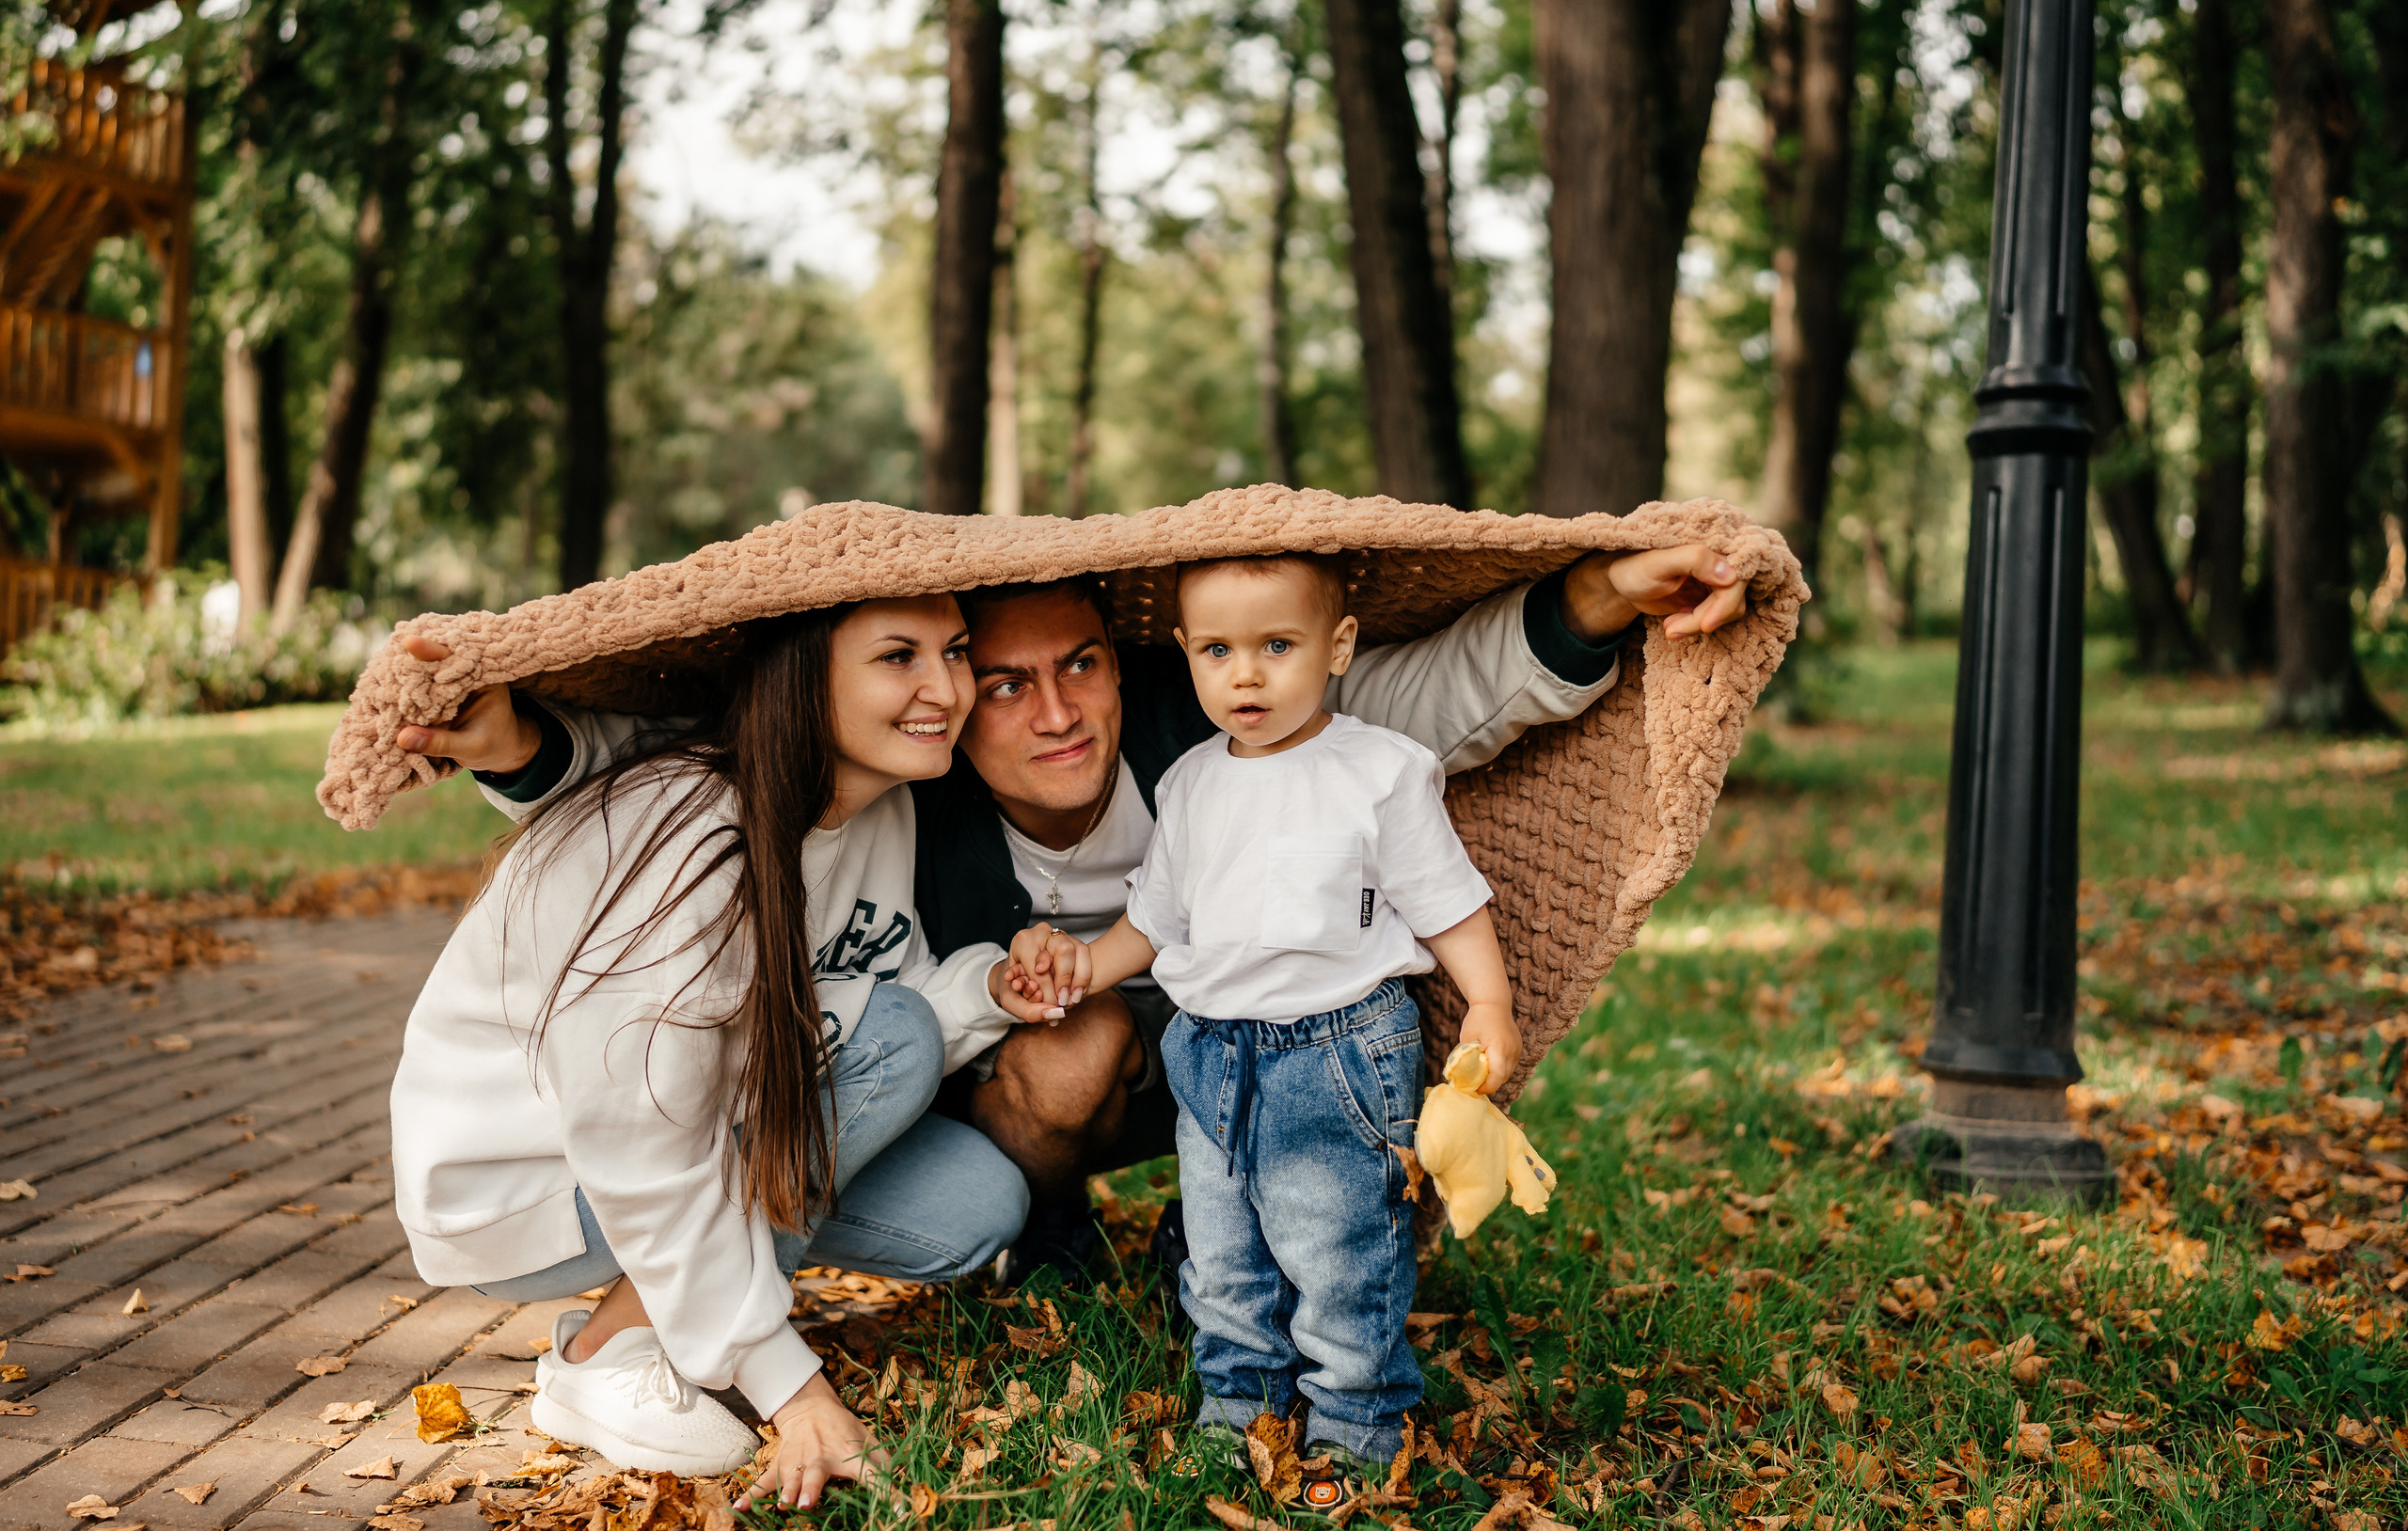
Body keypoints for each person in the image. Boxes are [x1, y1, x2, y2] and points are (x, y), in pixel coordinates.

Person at [394, 545, 1749, 1279]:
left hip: (1266, 1025)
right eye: (1003, 681)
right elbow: (698, 766)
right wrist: (510, 734)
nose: (1055, 712)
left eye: (1083, 665)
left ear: (1122, 659)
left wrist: (1605, 593)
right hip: (1037, 1058)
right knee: (1069, 1044)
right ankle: (1050, 1237)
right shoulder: (904, 787)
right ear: (942, 693)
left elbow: (1439, 694)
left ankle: (1307, 1242)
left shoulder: (1208, 714)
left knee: (1361, 1010)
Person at [388, 596, 1056, 1506]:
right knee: (895, 1035)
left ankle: (698, 1299)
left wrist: (988, 991)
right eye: (898, 656)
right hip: (532, 1177)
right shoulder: (695, 832)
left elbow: (877, 981)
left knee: (975, 1205)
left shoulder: (882, 806)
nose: (945, 688)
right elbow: (639, 1142)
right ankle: (603, 1353)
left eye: (955, 652)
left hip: (714, 1122)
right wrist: (795, 1390)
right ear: (804, 675)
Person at [1006, 554, 1510, 1474]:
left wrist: (1488, 1001)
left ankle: (1357, 1424)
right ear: (1188, 657)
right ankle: (1238, 1406)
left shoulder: (1378, 771)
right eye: (1216, 650)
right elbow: (1157, 922)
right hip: (1209, 1051)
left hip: (1339, 1047)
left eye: (1276, 645)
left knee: (1339, 1251)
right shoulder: (1191, 781)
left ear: (1337, 647)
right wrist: (1083, 967)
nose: (1245, 674)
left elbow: (1446, 903)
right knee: (1223, 1249)